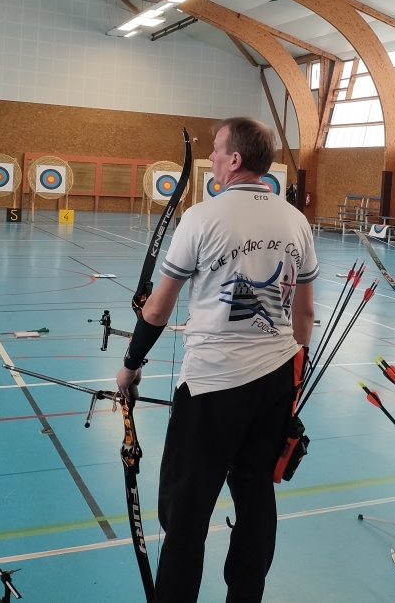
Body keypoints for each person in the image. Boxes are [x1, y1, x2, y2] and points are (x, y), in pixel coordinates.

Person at [115, 118, 317, 603]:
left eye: (217, 148)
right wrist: (292, 375)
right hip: (277, 379)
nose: (212, 156)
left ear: (235, 159)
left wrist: (131, 362)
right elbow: (305, 314)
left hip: (212, 385)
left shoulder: (202, 217)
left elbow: (158, 308)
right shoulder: (296, 220)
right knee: (255, 493)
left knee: (186, 509)